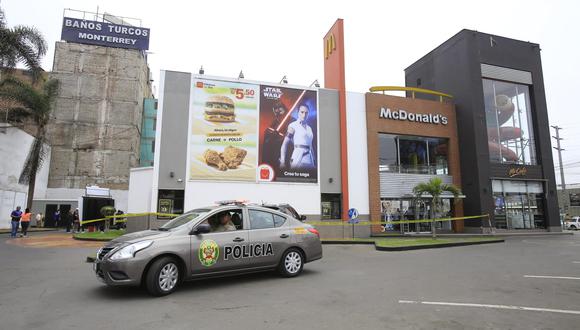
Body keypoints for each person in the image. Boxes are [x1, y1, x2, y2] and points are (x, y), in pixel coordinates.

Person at [279, 104, 316, 169]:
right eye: (302, 112)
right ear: (298, 112)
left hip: (310, 159)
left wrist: (314, 160)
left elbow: (311, 145)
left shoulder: (309, 128)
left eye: (306, 113)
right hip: (298, 157)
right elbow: (284, 144)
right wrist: (282, 162)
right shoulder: (293, 125)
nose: (304, 115)